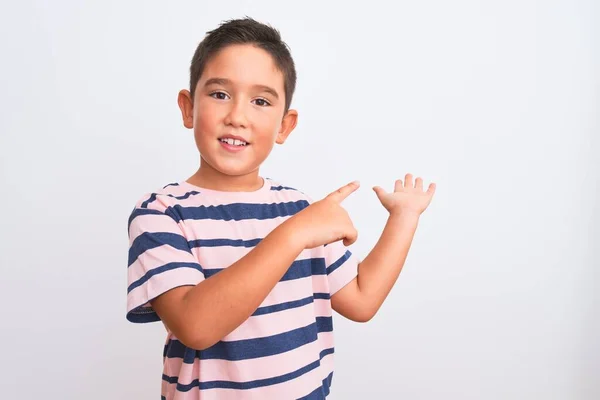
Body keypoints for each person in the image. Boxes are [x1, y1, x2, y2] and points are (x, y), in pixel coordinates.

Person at [126, 17, 436, 400]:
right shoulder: (161, 212)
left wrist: (404, 219)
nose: (237, 116)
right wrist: (293, 235)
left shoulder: (299, 209)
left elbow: (360, 299)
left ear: (284, 126)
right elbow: (195, 325)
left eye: (260, 101)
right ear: (188, 108)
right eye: (220, 94)